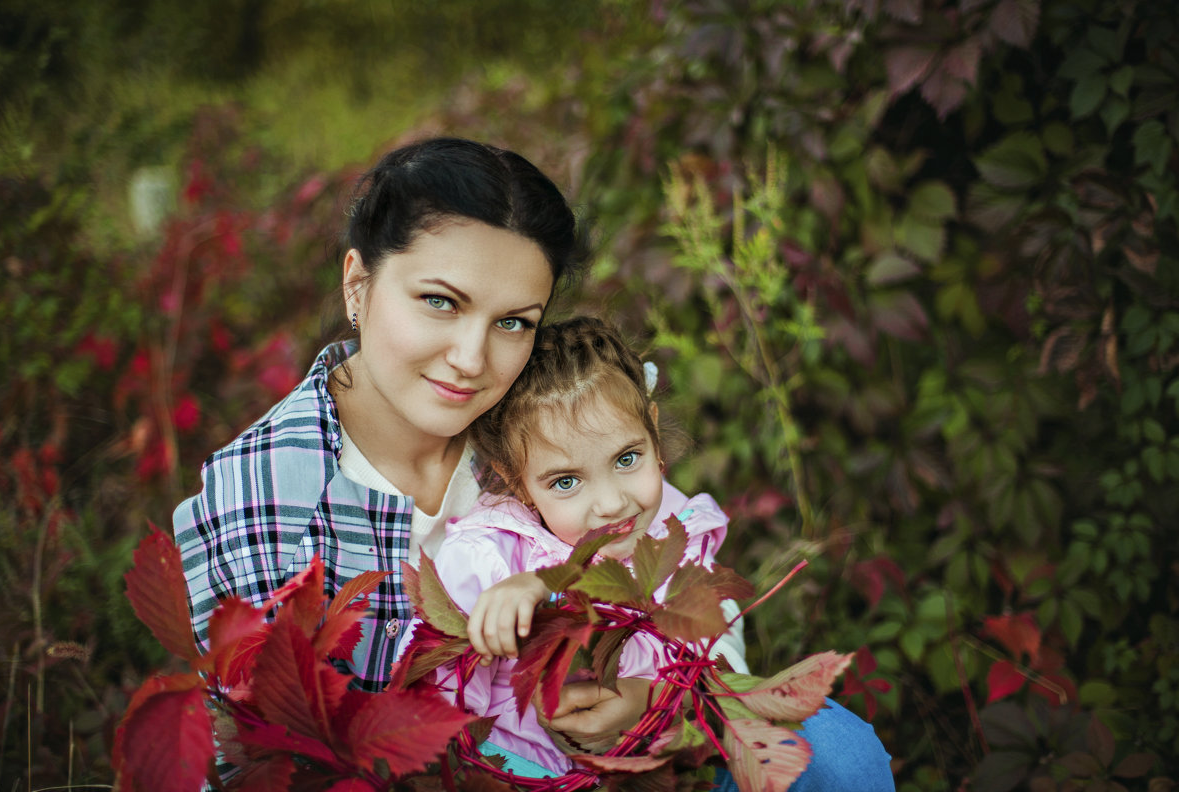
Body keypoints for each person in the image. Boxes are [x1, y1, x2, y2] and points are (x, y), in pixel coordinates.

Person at [173, 135, 893, 789]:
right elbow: (260, 754)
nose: (471, 359)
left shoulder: (529, 423)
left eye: (513, 321)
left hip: (626, 762)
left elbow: (675, 560)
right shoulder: (267, 492)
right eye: (439, 302)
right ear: (358, 284)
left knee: (835, 755)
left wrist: (649, 698)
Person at [401, 316, 748, 777]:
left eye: (627, 458)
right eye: (566, 481)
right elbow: (432, 701)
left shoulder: (678, 532)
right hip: (523, 778)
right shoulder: (489, 559)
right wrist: (513, 607)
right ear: (515, 480)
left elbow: (724, 661)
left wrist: (662, 700)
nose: (611, 504)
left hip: (660, 769)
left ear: (653, 428)